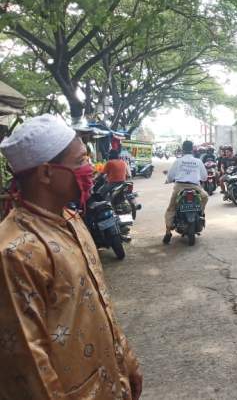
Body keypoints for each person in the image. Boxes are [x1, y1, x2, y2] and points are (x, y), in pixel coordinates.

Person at [0, 114, 142, 399]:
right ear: (46, 173)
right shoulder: (15, 253)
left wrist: (127, 361)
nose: (90, 168)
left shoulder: (71, 220)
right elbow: (28, 366)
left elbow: (99, 304)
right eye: (79, 162)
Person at [163, 140, 208, 244]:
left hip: (180, 187)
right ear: (192, 149)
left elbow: (170, 177)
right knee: (205, 197)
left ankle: (168, 232)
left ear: (182, 149)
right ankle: (200, 212)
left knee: (171, 209)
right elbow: (204, 177)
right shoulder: (198, 161)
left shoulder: (178, 161)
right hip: (195, 187)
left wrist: (169, 181)